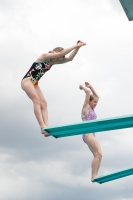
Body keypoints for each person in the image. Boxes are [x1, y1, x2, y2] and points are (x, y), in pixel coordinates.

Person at [21, 40, 86, 137]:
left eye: (58, 59)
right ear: (54, 53)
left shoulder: (53, 62)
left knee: (44, 103)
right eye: (57, 58)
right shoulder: (44, 56)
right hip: (27, 81)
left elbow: (69, 59)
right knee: (36, 100)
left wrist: (78, 48)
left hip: (35, 83)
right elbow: (62, 53)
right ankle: (41, 125)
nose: (57, 60)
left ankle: (47, 127)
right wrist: (75, 45)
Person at [79, 82, 102, 182]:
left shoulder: (92, 108)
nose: (96, 104)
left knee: (99, 154)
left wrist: (91, 86)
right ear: (89, 101)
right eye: (94, 102)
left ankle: (95, 175)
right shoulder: (86, 108)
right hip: (87, 133)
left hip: (92, 134)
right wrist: (83, 88)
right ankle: (93, 176)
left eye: (96, 102)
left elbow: (97, 96)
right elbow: (87, 93)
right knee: (97, 154)